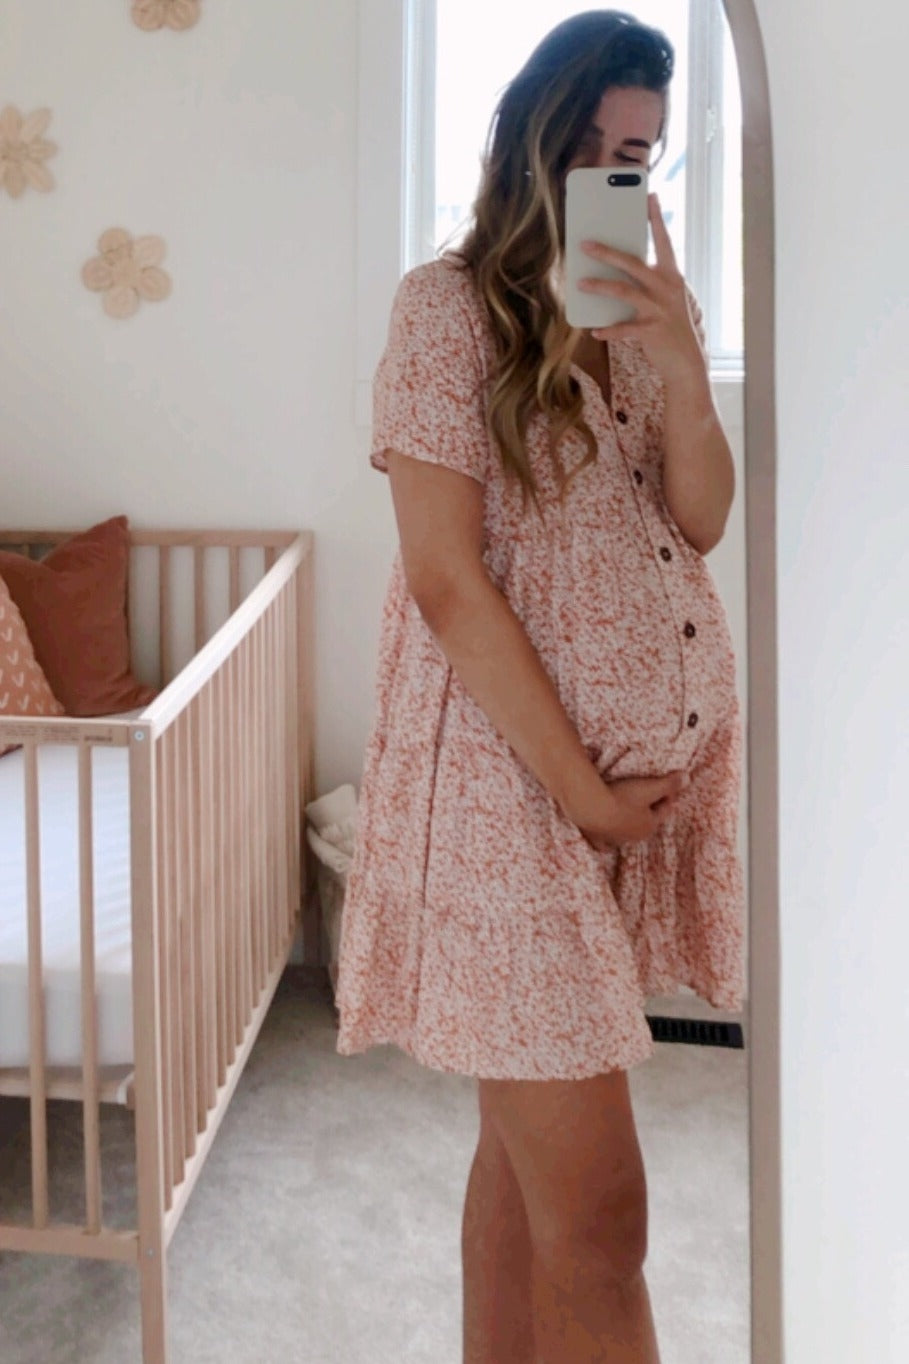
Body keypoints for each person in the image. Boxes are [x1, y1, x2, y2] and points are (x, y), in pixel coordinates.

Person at [335, 9, 745, 1362]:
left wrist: (682, 360)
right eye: (591, 145)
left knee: (520, 1168)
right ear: (528, 137)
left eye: (639, 155)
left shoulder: (635, 322)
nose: (614, 174)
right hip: (509, 803)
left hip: (607, 817)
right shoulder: (442, 310)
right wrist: (583, 796)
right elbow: (447, 583)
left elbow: (697, 522)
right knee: (602, 1223)